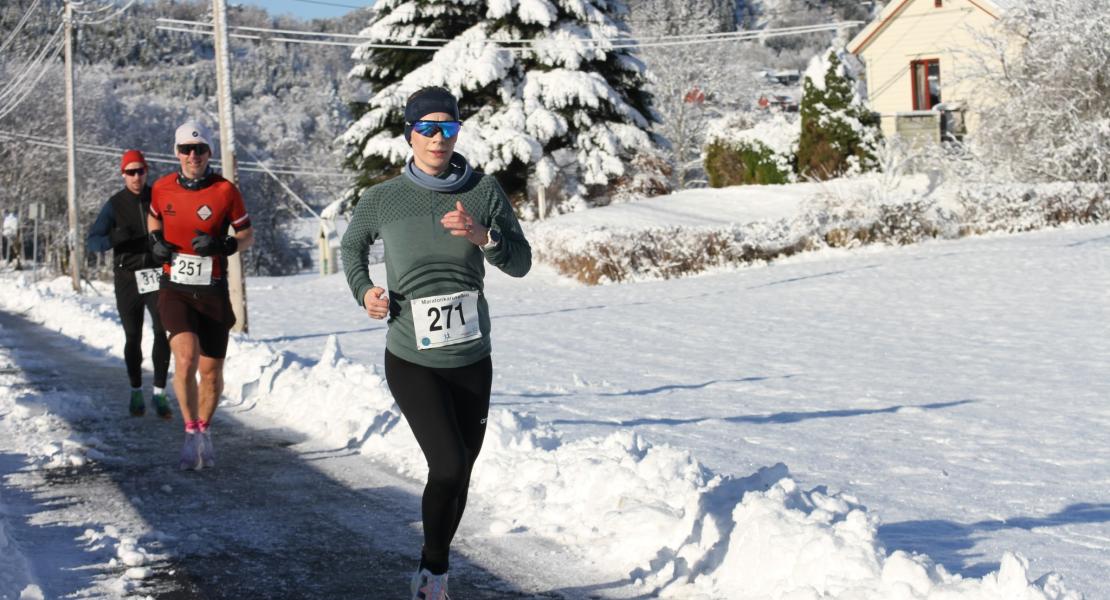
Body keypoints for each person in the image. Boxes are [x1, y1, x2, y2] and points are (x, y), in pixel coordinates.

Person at [341, 87, 531, 600]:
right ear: (409, 134)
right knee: (446, 464)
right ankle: (433, 571)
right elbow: (351, 247)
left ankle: (435, 571)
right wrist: (366, 293)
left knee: (461, 469)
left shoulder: (484, 191)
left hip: (472, 355)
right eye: (427, 127)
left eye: (448, 127)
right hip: (410, 356)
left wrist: (482, 237)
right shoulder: (382, 198)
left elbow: (521, 261)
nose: (438, 137)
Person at [148, 120, 253, 471]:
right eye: (186, 149)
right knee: (186, 357)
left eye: (200, 149)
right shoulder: (162, 188)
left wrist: (224, 244)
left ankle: (204, 430)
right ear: (176, 153)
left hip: (212, 289)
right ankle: (190, 429)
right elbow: (153, 220)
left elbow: (246, 234)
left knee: (210, 371)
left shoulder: (225, 190)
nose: (193, 156)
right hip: (174, 287)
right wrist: (155, 243)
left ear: (209, 152)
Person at [86, 150, 173, 418]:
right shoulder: (115, 204)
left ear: (147, 172)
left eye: (141, 171)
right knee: (132, 336)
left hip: (155, 274)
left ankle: (159, 393)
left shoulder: (157, 199)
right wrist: (114, 237)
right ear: (123, 174)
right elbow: (92, 241)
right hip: (127, 278)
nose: (136, 177)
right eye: (131, 172)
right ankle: (136, 391)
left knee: (162, 332)